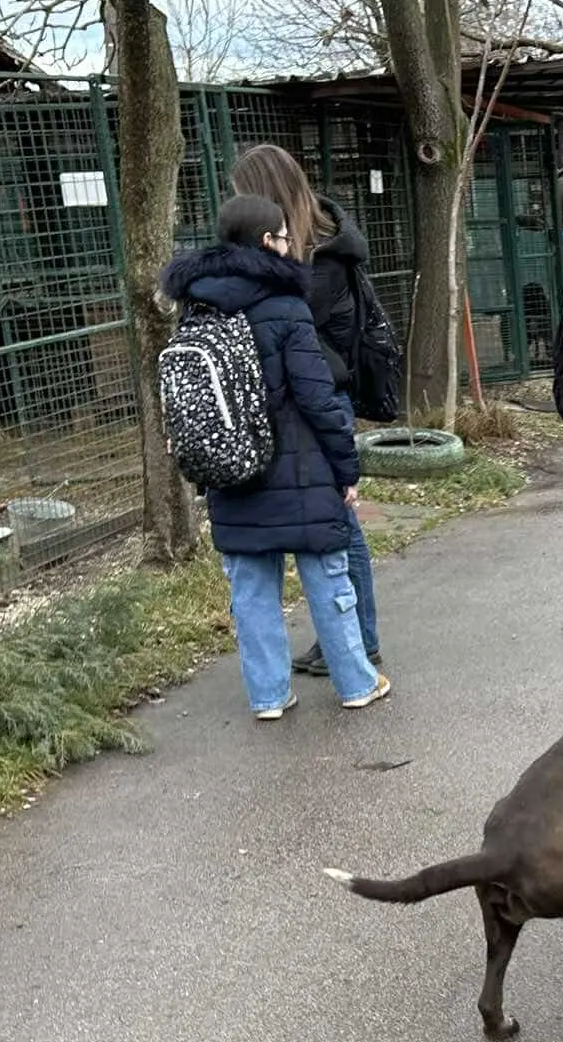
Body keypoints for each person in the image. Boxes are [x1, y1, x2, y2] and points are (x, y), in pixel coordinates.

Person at [162, 195, 393, 719]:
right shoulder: (285, 304)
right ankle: (356, 682)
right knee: (327, 577)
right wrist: (346, 468)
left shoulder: (196, 305)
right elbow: (316, 396)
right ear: (267, 240)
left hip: (232, 468)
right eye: (286, 237)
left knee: (250, 590)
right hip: (301, 465)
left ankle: (268, 696)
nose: (292, 246)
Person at [228, 144, 387, 681]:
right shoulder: (314, 249)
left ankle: (359, 642)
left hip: (317, 398)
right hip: (307, 396)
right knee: (336, 521)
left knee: (339, 523)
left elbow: (284, 326)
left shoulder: (316, 263)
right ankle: (352, 641)